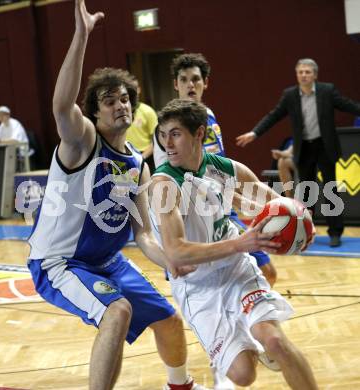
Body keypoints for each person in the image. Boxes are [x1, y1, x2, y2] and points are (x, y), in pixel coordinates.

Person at [27, 2, 207, 390]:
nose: (120, 104)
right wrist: (81, 36)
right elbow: (61, 104)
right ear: (95, 112)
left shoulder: (137, 166)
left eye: (125, 98)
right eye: (109, 100)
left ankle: (179, 384)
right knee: (118, 310)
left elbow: (143, 235)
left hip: (107, 263)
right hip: (60, 262)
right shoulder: (83, 141)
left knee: (169, 320)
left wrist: (170, 259)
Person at [150, 98, 318, 389]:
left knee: (276, 341)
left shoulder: (223, 169)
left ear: (199, 134)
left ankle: (259, 332)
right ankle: (249, 337)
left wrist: (300, 218)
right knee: (243, 375)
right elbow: (176, 251)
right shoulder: (164, 184)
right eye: (163, 135)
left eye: (175, 133)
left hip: (236, 269)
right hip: (196, 286)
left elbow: (273, 201)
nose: (168, 144)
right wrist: (243, 242)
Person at [153, 53, 277, 288]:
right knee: (202, 285)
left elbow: (214, 168)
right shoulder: (169, 129)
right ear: (175, 84)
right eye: (184, 79)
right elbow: (177, 181)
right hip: (189, 216)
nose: (191, 84)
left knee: (265, 272)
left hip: (218, 202)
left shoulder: (207, 116)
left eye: (196, 79)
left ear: (205, 83)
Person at [236, 58, 360, 247]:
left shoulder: (327, 91)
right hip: (305, 148)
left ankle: (335, 232)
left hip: (325, 146)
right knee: (307, 191)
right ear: (297, 75)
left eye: (307, 72)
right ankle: (305, 230)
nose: (303, 75)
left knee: (330, 189)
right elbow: (274, 115)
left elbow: (348, 105)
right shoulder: (290, 95)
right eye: (300, 72)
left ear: (315, 75)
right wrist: (255, 133)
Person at [126, 76, 158, 173]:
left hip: (146, 157)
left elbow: (157, 140)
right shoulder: (121, 112)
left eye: (134, 89)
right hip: (127, 158)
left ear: (139, 90)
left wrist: (142, 157)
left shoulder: (148, 111)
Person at [0, 105, 31, 171]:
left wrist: (1, 141)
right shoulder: (1, 126)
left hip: (20, 149)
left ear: (8, 115)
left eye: (2, 115)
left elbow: (15, 140)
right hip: (7, 149)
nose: (0, 117)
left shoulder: (15, 123)